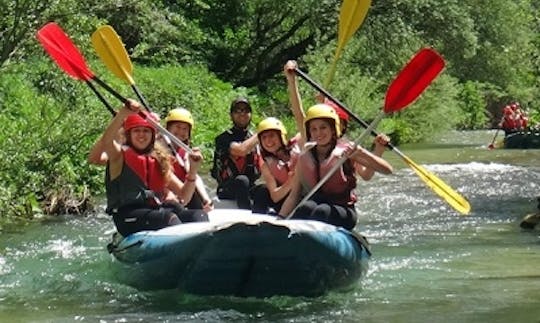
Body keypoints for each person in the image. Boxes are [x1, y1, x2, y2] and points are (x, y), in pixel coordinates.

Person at [101, 99, 208, 236]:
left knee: (198, 215)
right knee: (169, 219)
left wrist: (193, 170)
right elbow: (107, 141)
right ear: (129, 135)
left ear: (153, 136)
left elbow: (184, 197)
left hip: (154, 212)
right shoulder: (119, 156)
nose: (141, 135)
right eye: (137, 131)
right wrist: (122, 114)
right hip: (127, 217)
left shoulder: (159, 160)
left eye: (146, 131)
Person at [279, 104, 393, 230]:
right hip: (317, 204)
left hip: (343, 209)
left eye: (323, 128)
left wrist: (363, 153)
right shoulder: (305, 155)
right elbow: (293, 195)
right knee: (305, 208)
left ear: (333, 129)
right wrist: (279, 220)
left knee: (321, 211)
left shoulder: (347, 152)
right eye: (314, 129)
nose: (318, 133)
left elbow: (387, 170)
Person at [211, 97, 261, 209]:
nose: (242, 113)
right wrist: (262, 132)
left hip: (249, 186)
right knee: (242, 181)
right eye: (238, 110)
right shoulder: (223, 139)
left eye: (246, 110)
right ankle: (247, 216)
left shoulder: (254, 138)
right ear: (231, 115)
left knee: (263, 190)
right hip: (228, 187)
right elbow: (241, 150)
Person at [164, 107, 214, 213]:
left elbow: (193, 175)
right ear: (168, 128)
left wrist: (205, 199)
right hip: (166, 193)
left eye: (185, 129)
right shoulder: (158, 149)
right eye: (178, 127)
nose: (181, 131)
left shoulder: (186, 152)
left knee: (195, 196)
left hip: (183, 192)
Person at [252, 117, 301, 214]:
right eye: (264, 138)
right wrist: (290, 181)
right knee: (261, 191)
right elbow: (275, 197)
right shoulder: (266, 165)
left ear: (281, 136)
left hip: (304, 196)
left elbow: (300, 118)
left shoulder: (297, 147)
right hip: (284, 199)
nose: (268, 141)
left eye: (271, 136)